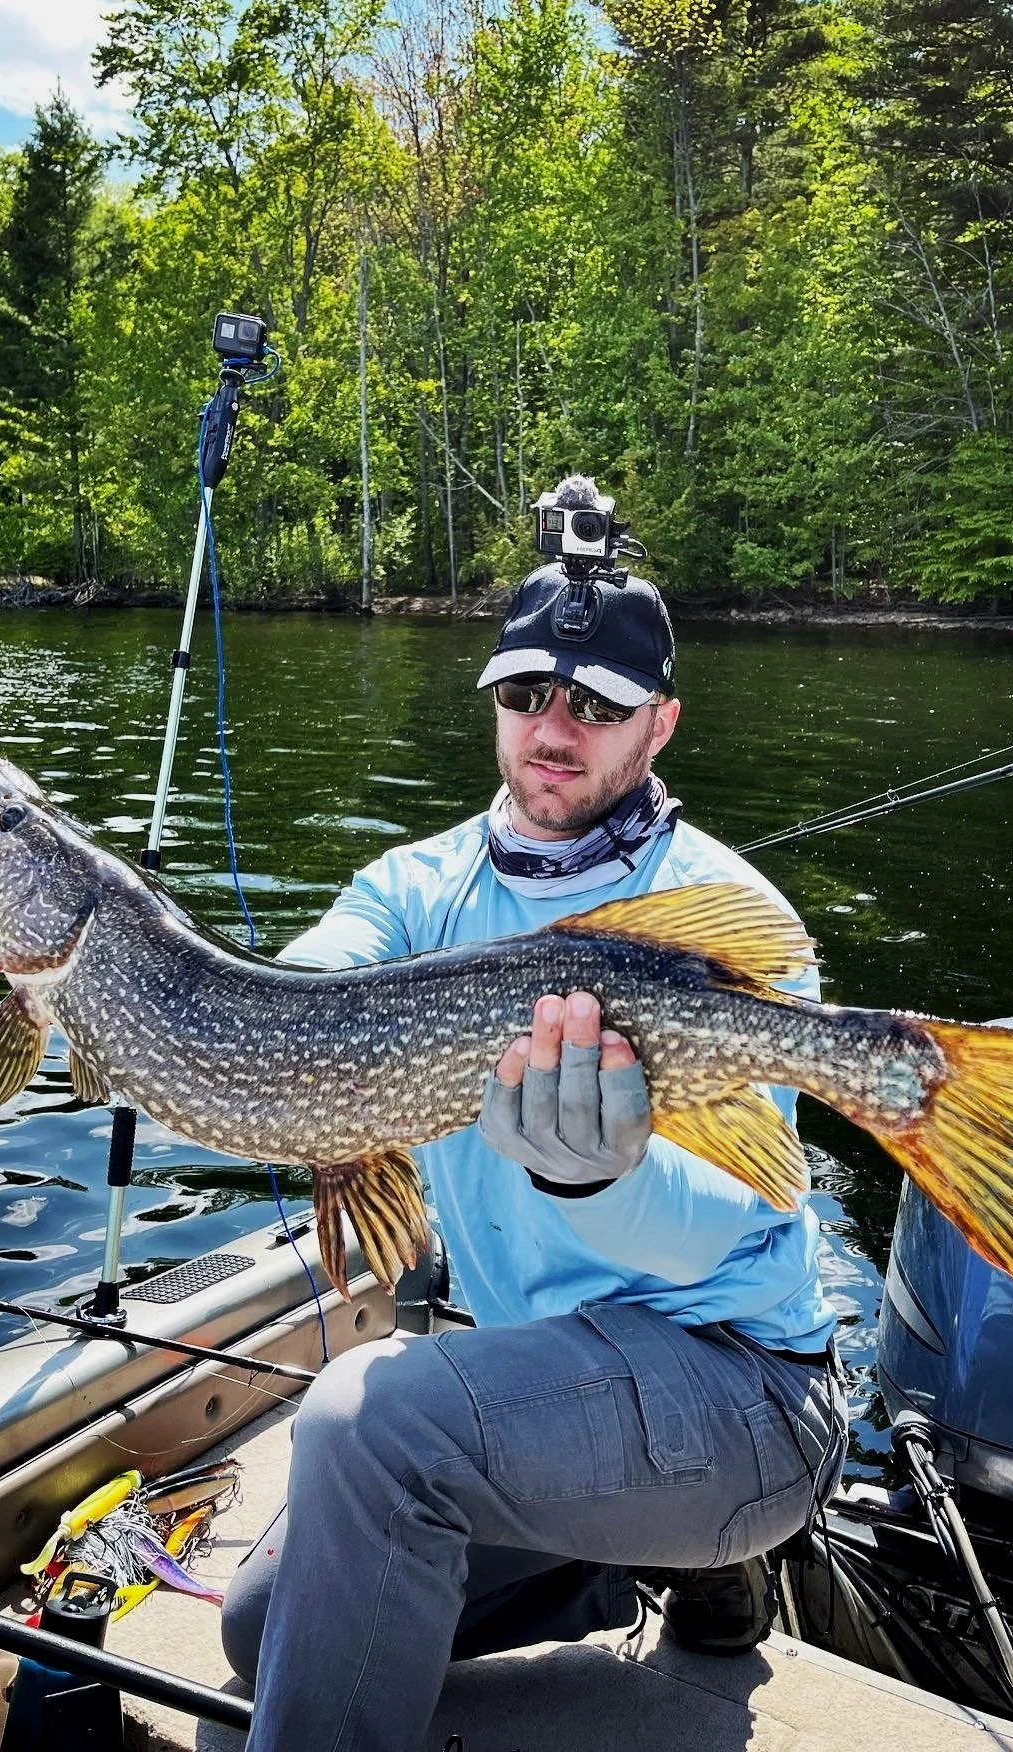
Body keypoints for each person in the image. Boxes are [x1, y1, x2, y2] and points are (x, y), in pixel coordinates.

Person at [221, 492, 844, 1751]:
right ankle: (644, 1565)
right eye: (524, 696)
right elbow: (302, 1002)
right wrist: (232, 1027)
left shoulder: (721, 908)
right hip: (549, 1388)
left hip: (741, 1389)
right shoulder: (411, 886)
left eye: (597, 706)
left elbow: (747, 1215)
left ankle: (716, 1541)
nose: (551, 731)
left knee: (361, 1420)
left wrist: (598, 1181)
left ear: (658, 724)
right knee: (262, 1626)